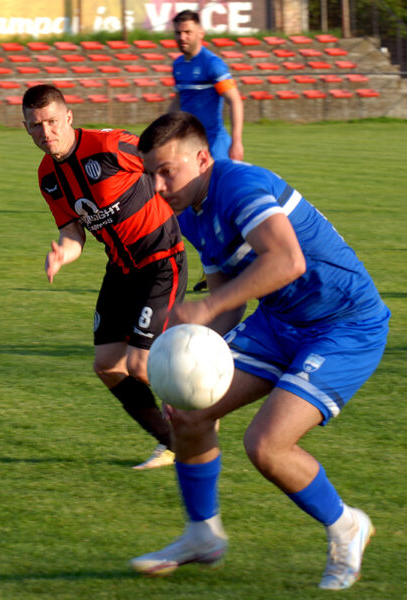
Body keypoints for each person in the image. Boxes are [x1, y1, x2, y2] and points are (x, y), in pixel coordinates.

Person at [130, 111, 390, 589]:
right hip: (280, 321)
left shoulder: (238, 185)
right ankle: (202, 535)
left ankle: (347, 526)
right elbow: (231, 300)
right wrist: (181, 344)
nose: (159, 185)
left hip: (344, 326)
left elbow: (286, 261)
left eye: (167, 171)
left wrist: (205, 308)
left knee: (267, 445)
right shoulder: (191, 212)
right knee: (187, 413)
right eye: (151, 174)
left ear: (203, 158)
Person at [22, 84, 188, 470]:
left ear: (68, 117)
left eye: (51, 122)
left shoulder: (109, 146)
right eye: (35, 126)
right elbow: (73, 232)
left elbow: (167, 163)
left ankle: (196, 423)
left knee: (142, 365)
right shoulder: (48, 176)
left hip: (162, 260)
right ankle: (172, 441)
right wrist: (64, 253)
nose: (46, 133)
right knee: (108, 365)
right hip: (122, 269)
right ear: (26, 128)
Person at [171, 9, 245, 292]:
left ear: (201, 33)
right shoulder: (178, 66)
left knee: (216, 207)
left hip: (214, 146)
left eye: (188, 32)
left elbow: (235, 101)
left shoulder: (213, 64)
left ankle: (235, 263)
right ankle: (212, 265)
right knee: (185, 211)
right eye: (178, 32)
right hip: (188, 147)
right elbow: (180, 102)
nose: (183, 37)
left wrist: (236, 141)